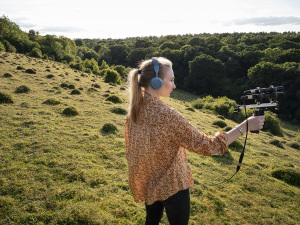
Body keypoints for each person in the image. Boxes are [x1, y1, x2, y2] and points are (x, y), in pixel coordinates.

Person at [125, 57, 265, 225]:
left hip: (149, 181)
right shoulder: (167, 115)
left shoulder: (135, 109)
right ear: (155, 82)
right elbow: (209, 146)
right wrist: (245, 126)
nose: (174, 86)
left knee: (151, 221)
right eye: (171, 80)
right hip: (173, 186)